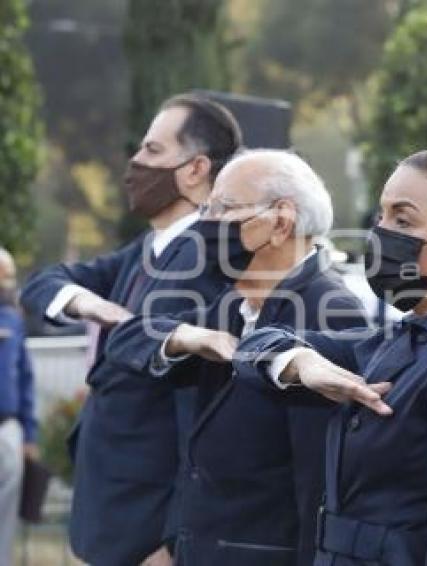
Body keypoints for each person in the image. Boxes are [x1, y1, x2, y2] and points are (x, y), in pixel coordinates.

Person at [235, 148, 427, 566]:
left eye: (403, 220)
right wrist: (303, 363)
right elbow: (255, 347)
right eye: (382, 216)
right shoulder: (399, 340)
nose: (381, 233)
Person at [105, 149, 367, 566]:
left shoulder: (330, 309)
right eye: (206, 209)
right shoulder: (228, 305)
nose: (206, 224)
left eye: (223, 209)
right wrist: (191, 337)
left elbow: (318, 484)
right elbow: (124, 341)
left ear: (280, 222)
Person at [21, 93, 242, 565]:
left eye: (153, 151)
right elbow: (43, 283)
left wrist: (173, 539)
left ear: (195, 169)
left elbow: (198, 412)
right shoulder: (147, 249)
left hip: (148, 532)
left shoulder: (207, 256)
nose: (135, 163)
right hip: (107, 514)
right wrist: (91, 304)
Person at [0, 247, 37, 564]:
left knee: (6, 516)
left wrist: (29, 434)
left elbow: (25, 378)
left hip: (7, 428)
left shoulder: (12, 319)